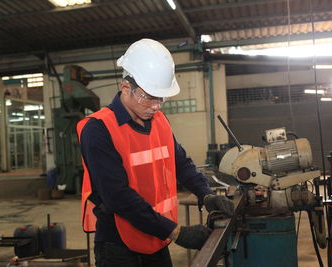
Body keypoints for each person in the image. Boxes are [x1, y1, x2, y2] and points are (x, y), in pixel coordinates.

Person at [77, 38, 234, 267]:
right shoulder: (98, 129)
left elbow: (181, 163)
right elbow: (117, 196)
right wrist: (177, 232)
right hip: (119, 246)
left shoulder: (159, 121)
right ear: (125, 88)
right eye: (148, 97)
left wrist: (206, 194)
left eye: (160, 98)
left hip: (157, 237)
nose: (156, 106)